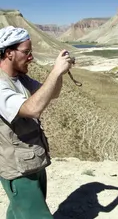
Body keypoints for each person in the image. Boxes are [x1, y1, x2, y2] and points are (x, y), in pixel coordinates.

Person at [0, 26, 73, 218]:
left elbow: (52, 93)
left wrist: (60, 73)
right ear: (9, 53)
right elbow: (32, 109)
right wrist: (55, 71)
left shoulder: (20, 79)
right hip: (18, 170)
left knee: (19, 213)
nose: (31, 57)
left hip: (32, 162)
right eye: (26, 52)